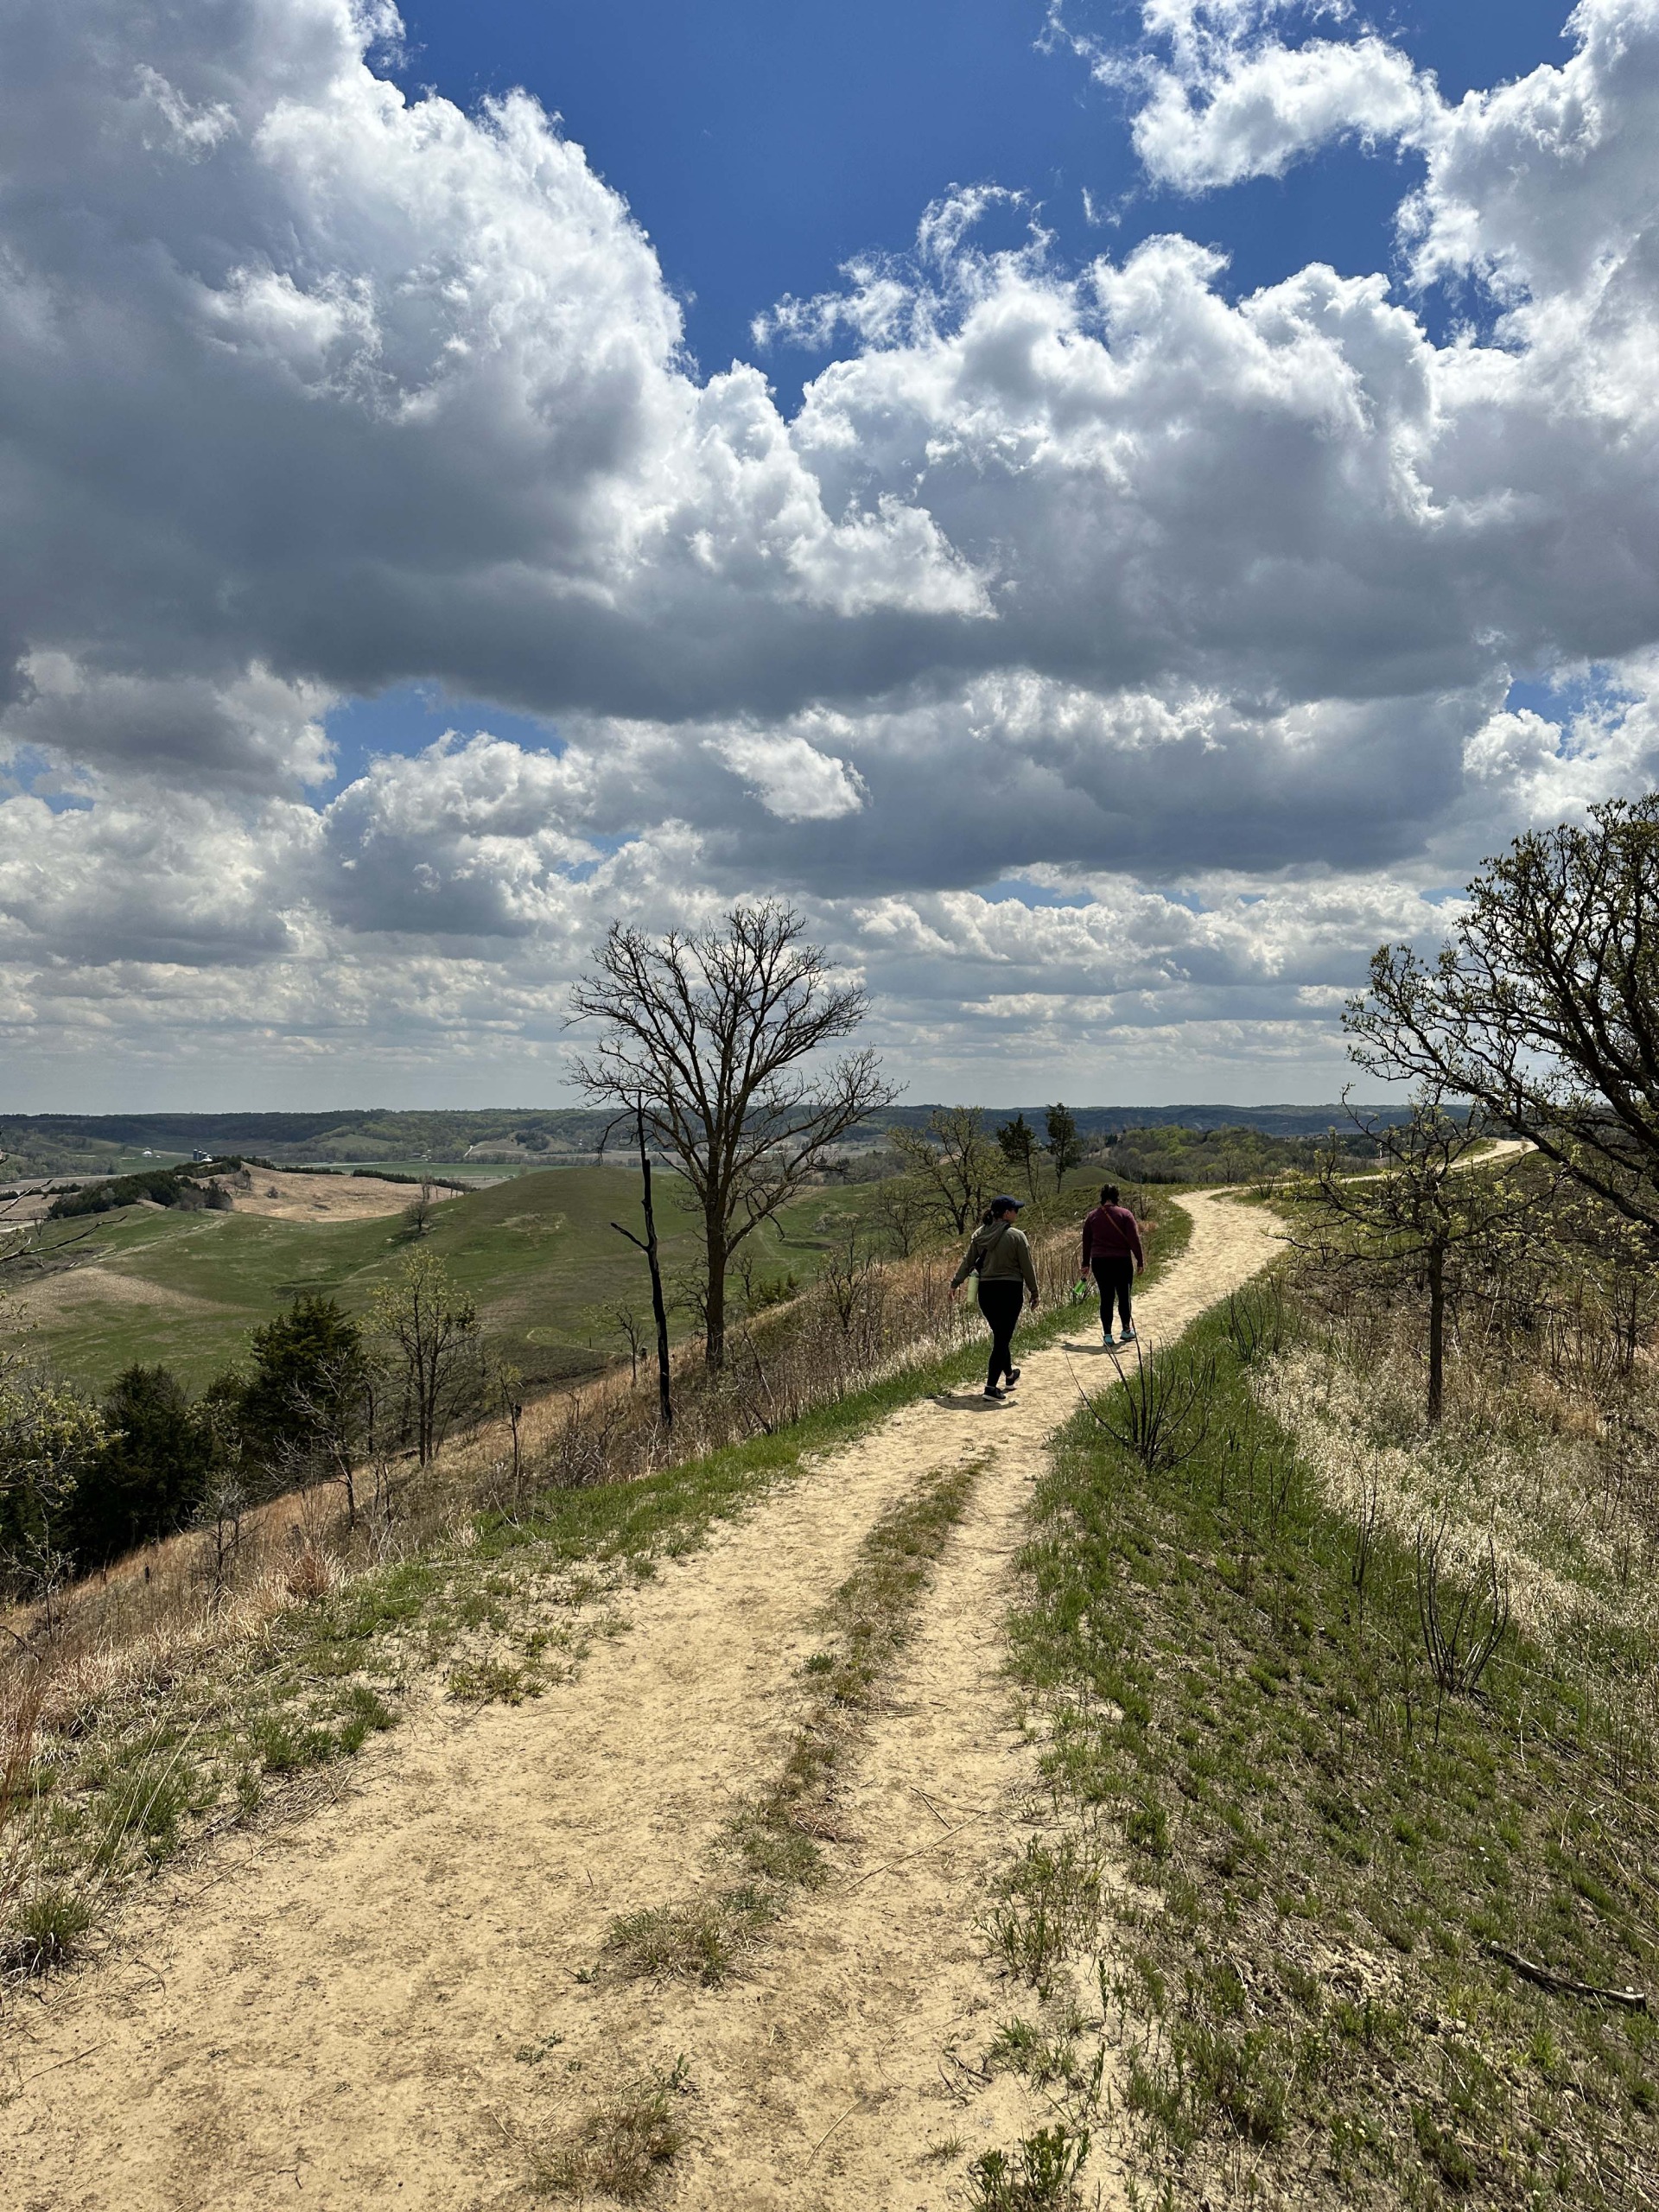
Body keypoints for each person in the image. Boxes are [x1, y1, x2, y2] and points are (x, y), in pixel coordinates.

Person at [951, 1195, 1039, 1401]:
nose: (1017, 1213)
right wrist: (1034, 1292)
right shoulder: (1017, 1237)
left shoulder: (979, 1235)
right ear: (1006, 1213)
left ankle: (1009, 1376)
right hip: (1010, 1290)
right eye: (1015, 1210)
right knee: (1002, 1338)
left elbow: (967, 1261)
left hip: (987, 1292)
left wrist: (955, 1283)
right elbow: (1027, 1267)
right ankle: (991, 1387)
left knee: (1001, 1335)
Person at [1080, 1182, 1144, 1345]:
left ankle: (1107, 1335)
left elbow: (1086, 1242)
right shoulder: (1125, 1214)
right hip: (1121, 1260)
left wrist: (1085, 1263)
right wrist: (1140, 1260)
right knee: (1124, 1296)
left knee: (1106, 1297)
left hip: (1100, 1262)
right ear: (1117, 1197)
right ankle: (1126, 1330)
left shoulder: (1092, 1216)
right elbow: (1134, 1240)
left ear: (1102, 1198)